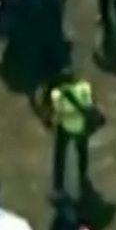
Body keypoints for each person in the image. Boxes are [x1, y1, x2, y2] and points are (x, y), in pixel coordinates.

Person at [46, 68, 100, 197]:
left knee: (60, 155)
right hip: (80, 127)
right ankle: (83, 177)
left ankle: (58, 185)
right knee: (82, 153)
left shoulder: (57, 94)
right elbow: (89, 104)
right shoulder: (84, 87)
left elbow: (57, 113)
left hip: (65, 127)